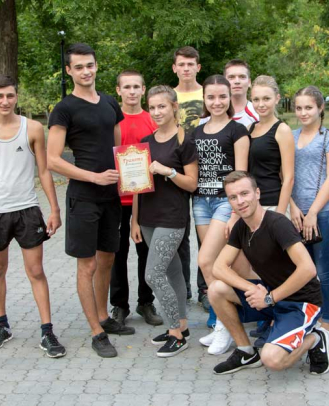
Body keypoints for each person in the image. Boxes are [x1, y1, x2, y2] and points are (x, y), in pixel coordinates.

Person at [47, 43, 134, 359]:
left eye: (90, 65)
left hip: (111, 196)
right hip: (83, 197)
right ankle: (97, 332)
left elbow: (117, 148)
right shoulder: (64, 109)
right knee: (87, 264)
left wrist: (129, 172)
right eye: (79, 67)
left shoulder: (110, 103)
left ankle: (103, 316)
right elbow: (52, 160)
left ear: (97, 66)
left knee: (107, 259)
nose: (86, 71)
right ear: (69, 71)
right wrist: (93, 177)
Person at [0, 74, 66, 358]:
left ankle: (47, 331)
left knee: (36, 271)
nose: (5, 101)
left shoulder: (32, 128)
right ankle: (2, 325)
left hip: (27, 210)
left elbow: (44, 170)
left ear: (16, 96)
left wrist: (54, 209)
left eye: (10, 95)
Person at [209, 171, 329, 375]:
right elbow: (219, 267)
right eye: (233, 197)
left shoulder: (277, 224)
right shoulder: (241, 227)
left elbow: (308, 269)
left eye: (244, 193)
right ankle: (245, 351)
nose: (240, 201)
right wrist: (253, 289)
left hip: (301, 301)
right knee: (216, 289)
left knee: (272, 359)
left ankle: (316, 338)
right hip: (270, 295)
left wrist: (269, 297)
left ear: (257, 193)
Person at [131, 85, 198, 357]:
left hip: (172, 217)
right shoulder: (145, 142)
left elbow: (192, 184)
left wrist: (168, 171)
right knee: (172, 272)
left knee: (153, 274)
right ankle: (182, 325)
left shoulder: (185, 141)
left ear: (174, 107)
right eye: (153, 107)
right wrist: (135, 221)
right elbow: (137, 185)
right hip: (148, 217)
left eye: (162, 106)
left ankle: (175, 334)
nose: (157, 112)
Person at [192, 75, 250, 355]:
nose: (217, 102)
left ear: (230, 98)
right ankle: (220, 322)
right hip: (200, 202)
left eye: (222, 96)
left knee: (206, 261)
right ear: (204, 99)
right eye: (211, 97)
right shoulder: (196, 132)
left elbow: (241, 175)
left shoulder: (238, 130)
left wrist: (236, 212)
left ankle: (227, 327)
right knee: (213, 265)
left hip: (224, 203)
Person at [108, 70, 163, 327]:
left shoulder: (152, 120)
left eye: (136, 87)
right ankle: (119, 305)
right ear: (118, 90)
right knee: (117, 254)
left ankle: (146, 302)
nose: (131, 91)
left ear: (143, 89)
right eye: (126, 87)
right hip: (117, 200)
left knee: (147, 253)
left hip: (146, 198)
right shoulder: (112, 121)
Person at [290, 86, 329, 342]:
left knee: (324, 271)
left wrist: (312, 212)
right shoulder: (290, 136)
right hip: (297, 215)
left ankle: (327, 323)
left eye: (309, 107)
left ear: (320, 108)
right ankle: (309, 317)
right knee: (304, 270)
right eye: (299, 108)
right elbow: (284, 175)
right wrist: (292, 206)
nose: (303, 112)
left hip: (323, 215)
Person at [247, 75, 295, 346]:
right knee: (257, 265)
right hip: (251, 206)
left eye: (266, 98)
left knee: (274, 265)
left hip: (271, 205)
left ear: (277, 98)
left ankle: (278, 321)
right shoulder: (251, 128)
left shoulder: (282, 130)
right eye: (256, 99)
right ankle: (264, 318)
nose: (261, 104)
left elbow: (287, 176)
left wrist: (278, 214)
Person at [172, 45, 207, 307]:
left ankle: (205, 288)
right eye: (181, 64)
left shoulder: (208, 94)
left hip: (207, 170)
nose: (186, 69)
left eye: (190, 64)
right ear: (175, 68)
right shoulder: (168, 96)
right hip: (177, 171)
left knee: (206, 235)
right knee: (179, 233)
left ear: (198, 67)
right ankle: (182, 286)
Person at [200, 59, 259, 127]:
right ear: (224, 81)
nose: (237, 81)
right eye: (231, 77)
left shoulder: (258, 113)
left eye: (242, 77)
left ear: (249, 82)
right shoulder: (209, 115)